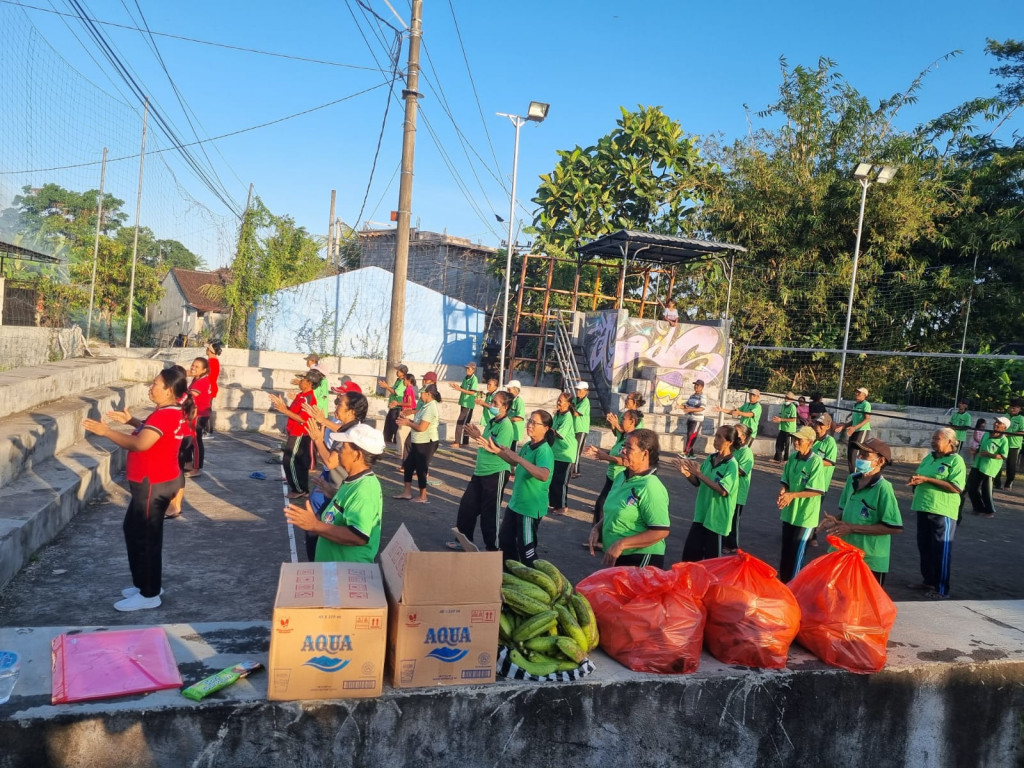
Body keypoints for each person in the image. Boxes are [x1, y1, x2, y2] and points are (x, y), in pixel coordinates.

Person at [82, 365, 192, 611]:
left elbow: (141, 444)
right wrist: (131, 420)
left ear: (169, 390)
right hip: (157, 482)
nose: (150, 388)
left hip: (153, 485)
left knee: (145, 538)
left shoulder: (165, 414)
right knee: (135, 531)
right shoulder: (170, 410)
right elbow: (155, 435)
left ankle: (150, 594)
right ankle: (146, 583)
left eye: (155, 384)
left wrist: (107, 431)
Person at [284, 423, 385, 563]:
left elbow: (358, 536)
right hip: (336, 570)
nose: (339, 451)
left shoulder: (365, 489)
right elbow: (351, 506)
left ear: (356, 455)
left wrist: (315, 525)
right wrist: (334, 494)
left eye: (343, 447)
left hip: (347, 574)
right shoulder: (353, 480)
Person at [821, 437, 903, 586]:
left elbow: (894, 527)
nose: (859, 457)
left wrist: (852, 528)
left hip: (869, 558)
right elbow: (848, 511)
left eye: (865, 455)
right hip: (845, 552)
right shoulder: (852, 480)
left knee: (865, 605)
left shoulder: (883, 488)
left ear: (880, 461)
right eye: (859, 453)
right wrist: (835, 520)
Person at [480, 410, 555, 565]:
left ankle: (533, 580)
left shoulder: (544, 450)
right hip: (516, 504)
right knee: (505, 542)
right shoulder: (529, 445)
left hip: (529, 508)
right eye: (529, 421)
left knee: (527, 552)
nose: (530, 425)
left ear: (546, 428)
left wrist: (519, 459)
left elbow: (543, 474)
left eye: (535, 423)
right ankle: (511, 576)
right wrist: (497, 451)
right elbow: (514, 461)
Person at [302, 390, 370, 561]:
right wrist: (322, 421)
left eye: (340, 403)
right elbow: (340, 429)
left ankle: (316, 564)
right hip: (335, 489)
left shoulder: (351, 435)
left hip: (339, 490)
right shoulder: (350, 428)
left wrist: (318, 439)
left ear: (351, 411)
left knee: (318, 530)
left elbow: (331, 462)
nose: (336, 405)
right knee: (319, 528)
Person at [587, 429, 670, 568]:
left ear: (645, 454)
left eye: (629, 448)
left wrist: (621, 544)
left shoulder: (650, 486)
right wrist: (597, 527)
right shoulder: (621, 477)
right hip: (618, 556)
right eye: (623, 446)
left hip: (641, 560)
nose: (623, 451)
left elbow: (661, 530)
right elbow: (615, 511)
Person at [449, 391, 515, 551]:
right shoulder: (492, 422)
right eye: (492, 402)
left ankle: (493, 548)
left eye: (495, 404)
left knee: (489, 513)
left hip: (496, 472)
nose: (491, 405)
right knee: (467, 506)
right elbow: (485, 442)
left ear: (505, 407)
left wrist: (477, 436)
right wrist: (477, 434)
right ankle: (463, 541)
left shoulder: (506, 425)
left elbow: (497, 448)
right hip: (480, 471)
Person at [907, 428, 967, 600]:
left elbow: (956, 487)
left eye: (937, 438)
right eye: (932, 437)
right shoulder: (929, 457)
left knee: (941, 549)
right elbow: (921, 475)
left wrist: (928, 480)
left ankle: (942, 589)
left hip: (942, 510)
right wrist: (916, 480)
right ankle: (928, 580)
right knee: (924, 546)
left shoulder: (956, 461)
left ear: (950, 441)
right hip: (923, 506)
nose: (933, 441)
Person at [679, 424, 741, 562]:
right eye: (716, 435)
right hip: (701, 516)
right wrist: (687, 474)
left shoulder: (731, 464)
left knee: (711, 564)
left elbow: (723, 491)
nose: (715, 439)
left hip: (716, 520)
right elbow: (698, 482)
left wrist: (699, 474)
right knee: (689, 558)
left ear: (729, 442)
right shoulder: (710, 458)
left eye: (719, 437)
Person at [582, 409, 642, 550]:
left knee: (604, 506)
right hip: (611, 477)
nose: (621, 422)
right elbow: (615, 450)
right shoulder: (624, 437)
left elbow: (625, 460)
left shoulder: (633, 440)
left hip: (620, 479)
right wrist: (599, 452)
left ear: (632, 422)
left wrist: (605, 457)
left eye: (623, 420)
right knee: (602, 506)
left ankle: (602, 540)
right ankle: (599, 538)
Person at [777, 425, 828, 582]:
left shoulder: (816, 462)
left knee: (796, 553)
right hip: (789, 513)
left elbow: (817, 490)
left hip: (805, 516)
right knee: (786, 551)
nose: (796, 442)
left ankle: (794, 586)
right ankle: (783, 582)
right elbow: (785, 479)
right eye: (795, 439)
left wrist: (792, 495)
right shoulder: (793, 458)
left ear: (810, 443)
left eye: (800, 440)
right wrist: (783, 490)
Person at [269, 370, 323, 499]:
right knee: (296, 462)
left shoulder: (309, 398)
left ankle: (299, 489)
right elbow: (294, 412)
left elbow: (303, 419)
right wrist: (284, 407)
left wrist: (284, 410)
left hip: (300, 433)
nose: (300, 381)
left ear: (309, 383)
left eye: (303, 380)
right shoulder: (301, 395)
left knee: (290, 461)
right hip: (294, 432)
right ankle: (300, 488)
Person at [395, 383, 441, 503]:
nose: (420, 395)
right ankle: (407, 492)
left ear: (429, 394)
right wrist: (407, 421)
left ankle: (423, 495)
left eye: (422, 393)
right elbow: (417, 422)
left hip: (427, 442)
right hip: (418, 441)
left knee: (421, 468)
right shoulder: (425, 406)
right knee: (409, 465)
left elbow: (421, 428)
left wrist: (408, 423)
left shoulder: (431, 408)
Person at [966, 416, 1010, 518]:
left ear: (1004, 427)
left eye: (999, 423)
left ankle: (990, 511)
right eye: (996, 422)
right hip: (978, 463)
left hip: (989, 467)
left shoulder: (1003, 440)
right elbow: (980, 447)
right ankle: (978, 508)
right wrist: (975, 451)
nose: (996, 424)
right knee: (971, 487)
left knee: (986, 490)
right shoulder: (986, 434)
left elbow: (1003, 456)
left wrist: (990, 455)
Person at [808, 412, 838, 547]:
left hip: (820, 484)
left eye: (821, 425)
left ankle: (812, 536)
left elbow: (830, 462)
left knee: (813, 510)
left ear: (828, 426)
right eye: (817, 424)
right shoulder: (812, 438)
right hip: (806, 480)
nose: (818, 427)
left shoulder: (830, 442)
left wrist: (814, 460)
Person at [723, 423, 754, 553]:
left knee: (734, 519)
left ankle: (733, 545)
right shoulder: (734, 449)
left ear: (744, 437)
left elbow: (741, 471)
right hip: (729, 489)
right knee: (726, 516)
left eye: (737, 433)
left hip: (738, 492)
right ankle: (725, 541)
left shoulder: (746, 452)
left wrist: (726, 465)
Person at [548, 392, 579, 516]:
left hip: (566, 453)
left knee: (561, 481)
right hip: (556, 452)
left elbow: (559, 434)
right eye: (558, 400)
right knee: (554, 480)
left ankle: (563, 506)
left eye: (561, 401)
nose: (559, 403)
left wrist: (546, 428)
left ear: (569, 404)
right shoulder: (558, 415)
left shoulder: (567, 417)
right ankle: (556, 504)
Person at [834, 386, 872, 473]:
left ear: (864, 395)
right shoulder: (856, 405)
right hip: (854, 431)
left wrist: (855, 427)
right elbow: (853, 420)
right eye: (856, 392)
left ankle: (858, 474)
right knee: (850, 453)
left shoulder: (866, 404)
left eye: (859, 393)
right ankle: (852, 474)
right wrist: (843, 426)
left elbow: (867, 419)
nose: (856, 394)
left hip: (862, 431)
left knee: (855, 453)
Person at [186, 357, 213, 477]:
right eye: (193, 365)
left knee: (196, 442)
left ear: (204, 370)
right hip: (195, 414)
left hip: (199, 415)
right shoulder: (197, 379)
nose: (193, 368)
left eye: (197, 367)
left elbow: (189, 396)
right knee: (188, 440)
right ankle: (188, 463)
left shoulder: (202, 382)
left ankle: (197, 468)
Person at [448, 362, 479, 448]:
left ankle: (457, 442)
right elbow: (462, 388)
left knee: (460, 422)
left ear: (473, 370)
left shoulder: (474, 379)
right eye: (466, 368)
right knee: (466, 423)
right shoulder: (466, 378)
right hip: (463, 403)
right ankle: (465, 441)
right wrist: (456, 387)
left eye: (469, 369)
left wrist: (460, 390)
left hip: (468, 404)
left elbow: (473, 392)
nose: (467, 370)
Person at [995, 398, 1024, 490]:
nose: (1012, 409)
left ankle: (1008, 483)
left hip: (1014, 445)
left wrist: (1010, 434)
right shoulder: (1005, 416)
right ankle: (997, 482)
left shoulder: (1021, 419)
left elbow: (1022, 431)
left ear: (1019, 409)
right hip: (1003, 442)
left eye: (1014, 408)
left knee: (1011, 465)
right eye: (1011, 407)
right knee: (997, 462)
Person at [379, 363, 409, 444]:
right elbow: (393, 389)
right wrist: (386, 386)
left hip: (397, 406)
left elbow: (396, 393)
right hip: (393, 406)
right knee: (388, 424)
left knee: (394, 424)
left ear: (403, 372)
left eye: (398, 371)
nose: (397, 372)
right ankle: (387, 440)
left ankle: (396, 442)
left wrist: (386, 387)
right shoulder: (398, 380)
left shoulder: (403, 382)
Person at [395, 372, 419, 465]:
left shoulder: (409, 389)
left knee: (401, 433)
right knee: (401, 432)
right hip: (406, 412)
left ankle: (401, 452)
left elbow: (409, 403)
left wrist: (398, 403)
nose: (403, 381)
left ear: (409, 381)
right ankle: (400, 452)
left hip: (408, 412)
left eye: (405, 379)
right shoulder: (408, 389)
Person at [679, 380, 707, 458]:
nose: (695, 387)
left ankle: (686, 452)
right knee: (689, 435)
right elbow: (686, 405)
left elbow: (702, 408)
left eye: (697, 385)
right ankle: (691, 454)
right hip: (690, 418)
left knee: (692, 436)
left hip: (697, 419)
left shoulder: (702, 397)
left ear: (702, 387)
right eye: (695, 385)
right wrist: (680, 406)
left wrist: (690, 410)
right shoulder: (692, 396)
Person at [570, 381, 591, 478]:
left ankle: (576, 470)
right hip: (574, 428)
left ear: (586, 391)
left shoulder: (585, 402)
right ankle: (572, 469)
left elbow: (576, 413)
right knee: (573, 449)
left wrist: (569, 407)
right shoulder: (575, 400)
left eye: (579, 390)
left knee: (577, 450)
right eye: (577, 390)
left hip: (581, 429)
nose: (578, 392)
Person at [298, 354, 330, 418]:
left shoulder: (323, 381)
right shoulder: (316, 380)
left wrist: (317, 406)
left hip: (318, 411)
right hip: (313, 408)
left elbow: (324, 395)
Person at [771, 391, 799, 462]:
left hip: (789, 429)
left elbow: (793, 419)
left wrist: (781, 419)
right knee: (779, 443)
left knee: (788, 446)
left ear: (791, 399)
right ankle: (777, 458)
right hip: (782, 428)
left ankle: (787, 459)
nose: (786, 399)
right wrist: (778, 418)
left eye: (788, 398)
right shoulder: (783, 406)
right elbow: (782, 416)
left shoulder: (793, 407)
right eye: (786, 397)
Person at [204, 340, 222, 437]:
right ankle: (208, 430)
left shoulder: (211, 362)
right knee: (207, 408)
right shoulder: (214, 361)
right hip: (211, 387)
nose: (206, 350)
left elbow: (208, 376)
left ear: (210, 351)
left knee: (205, 409)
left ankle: (207, 430)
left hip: (209, 387)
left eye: (207, 348)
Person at [507, 380, 526, 451]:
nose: (508, 391)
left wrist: (507, 420)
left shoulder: (519, 402)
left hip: (515, 430)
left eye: (509, 389)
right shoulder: (510, 400)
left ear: (516, 390)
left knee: (512, 449)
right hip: (509, 429)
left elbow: (520, 417)